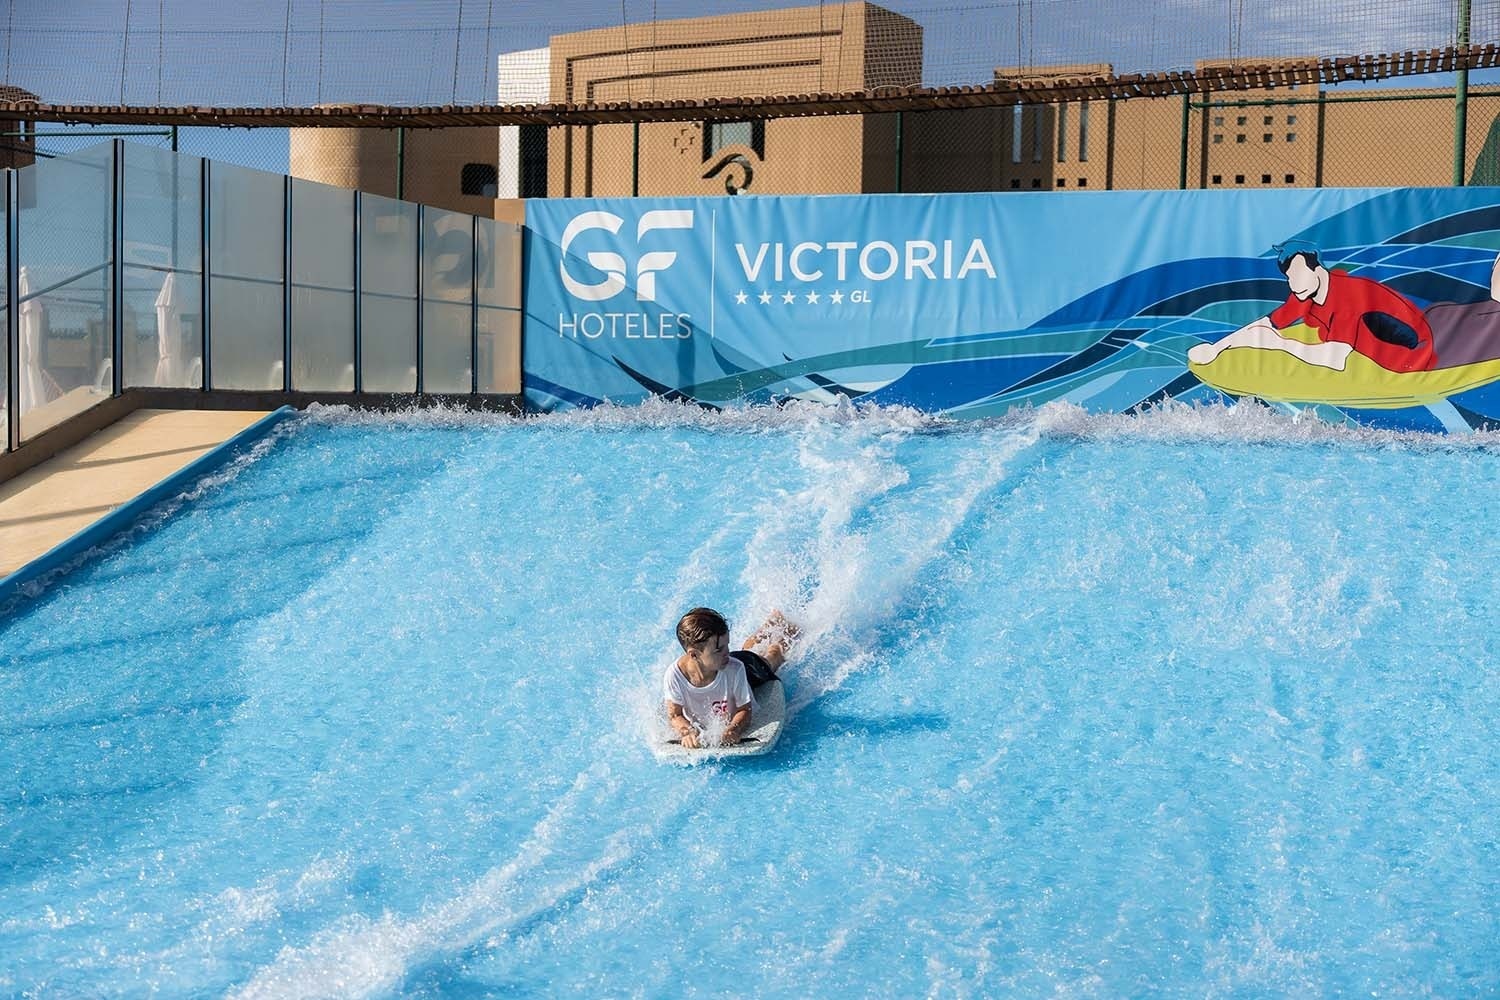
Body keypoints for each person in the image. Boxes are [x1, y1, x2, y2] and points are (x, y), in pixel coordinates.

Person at [1188, 240, 1439, 373]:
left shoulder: (1348, 297)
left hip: (1412, 359)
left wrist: (1280, 344)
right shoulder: (1306, 292)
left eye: (1297, 274)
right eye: (1288, 276)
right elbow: (1266, 324)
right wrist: (1216, 348)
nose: (1292, 282)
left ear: (1318, 269)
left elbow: (1335, 359)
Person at [663, 607, 799, 749]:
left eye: (726, 645)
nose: (727, 651)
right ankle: (770, 624)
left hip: (747, 668)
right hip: (728, 665)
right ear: (694, 655)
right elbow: (675, 715)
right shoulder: (674, 675)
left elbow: (745, 709)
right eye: (719, 649)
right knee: (743, 652)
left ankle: (781, 631)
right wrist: (687, 732)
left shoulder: (735, 668)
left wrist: (734, 729)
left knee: (770, 659)